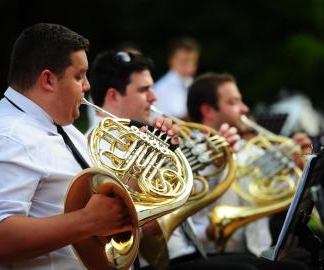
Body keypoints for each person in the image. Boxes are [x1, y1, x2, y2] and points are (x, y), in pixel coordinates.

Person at [87, 51, 311, 270]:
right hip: (164, 258)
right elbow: (133, 214)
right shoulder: (98, 146)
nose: (154, 97)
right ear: (113, 96)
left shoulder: (142, 134)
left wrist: (215, 158)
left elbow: (192, 192)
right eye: (144, 90)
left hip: (188, 251)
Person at [0, 23, 136, 270]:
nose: (87, 86)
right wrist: (89, 220)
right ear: (48, 80)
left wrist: (136, 171)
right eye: (79, 76)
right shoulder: (3, 135)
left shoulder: (64, 129)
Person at [187, 72, 314, 263]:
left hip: (257, 249)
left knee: (311, 255)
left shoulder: (248, 150)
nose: (244, 108)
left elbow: (286, 196)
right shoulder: (188, 156)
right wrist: (208, 232)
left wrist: (300, 166)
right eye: (233, 102)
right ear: (208, 111)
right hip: (214, 256)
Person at [153, 37, 200, 120]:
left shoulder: (194, 84)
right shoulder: (160, 89)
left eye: (193, 61)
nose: (189, 66)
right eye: (184, 61)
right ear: (171, 61)